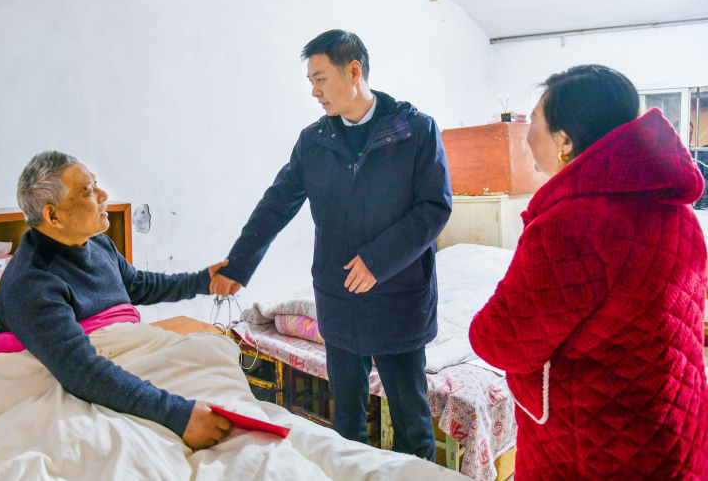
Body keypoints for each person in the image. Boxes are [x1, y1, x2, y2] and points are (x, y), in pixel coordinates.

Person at [211, 30, 453, 460]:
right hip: (339, 297)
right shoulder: (315, 141)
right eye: (310, 81)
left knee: (412, 428)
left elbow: (434, 208)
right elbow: (276, 205)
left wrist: (377, 260)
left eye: (320, 78)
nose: (314, 91)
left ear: (353, 71)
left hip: (398, 297)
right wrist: (238, 265)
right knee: (346, 426)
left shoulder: (415, 130)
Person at [469, 65, 708, 480]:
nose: (527, 134)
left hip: (597, 450)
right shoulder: (677, 209)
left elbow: (500, 340)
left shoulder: (570, 225)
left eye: (534, 121)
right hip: (673, 426)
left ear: (564, 140)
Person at [0, 151, 232, 450]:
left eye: (96, 183)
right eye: (88, 191)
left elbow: (137, 285)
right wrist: (176, 415)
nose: (104, 195)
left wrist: (204, 281)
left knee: (215, 350)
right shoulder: (32, 282)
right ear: (53, 216)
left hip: (117, 362)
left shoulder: (99, 243)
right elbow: (80, 371)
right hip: (77, 378)